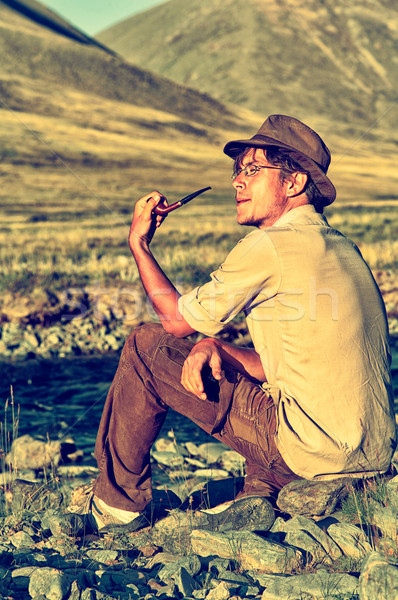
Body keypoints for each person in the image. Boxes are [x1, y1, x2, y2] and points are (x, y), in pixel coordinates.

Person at [69, 114, 397, 532]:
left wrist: (139, 243)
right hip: (369, 458)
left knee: (146, 345)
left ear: (294, 182)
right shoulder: (343, 247)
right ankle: (264, 490)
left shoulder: (271, 244)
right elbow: (298, 361)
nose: (237, 182)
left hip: (311, 453)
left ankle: (117, 505)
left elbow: (174, 322)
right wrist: (220, 347)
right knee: (229, 367)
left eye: (253, 170)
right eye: (238, 171)